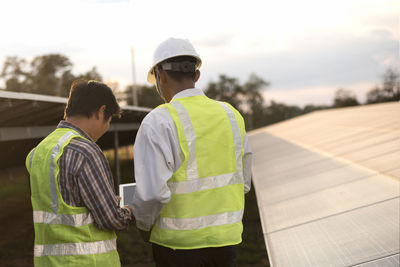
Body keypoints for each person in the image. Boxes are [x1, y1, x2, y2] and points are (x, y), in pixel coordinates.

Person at [131, 38, 252, 267]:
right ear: (196, 75)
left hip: (177, 247)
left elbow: (152, 194)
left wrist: (144, 226)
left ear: (160, 76)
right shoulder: (231, 114)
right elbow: (244, 182)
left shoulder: (158, 120)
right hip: (227, 243)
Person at [25, 80, 134, 266]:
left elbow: (64, 206)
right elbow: (111, 219)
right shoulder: (86, 151)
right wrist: (130, 210)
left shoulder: (38, 152)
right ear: (101, 111)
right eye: (109, 120)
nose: (106, 127)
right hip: (86, 261)